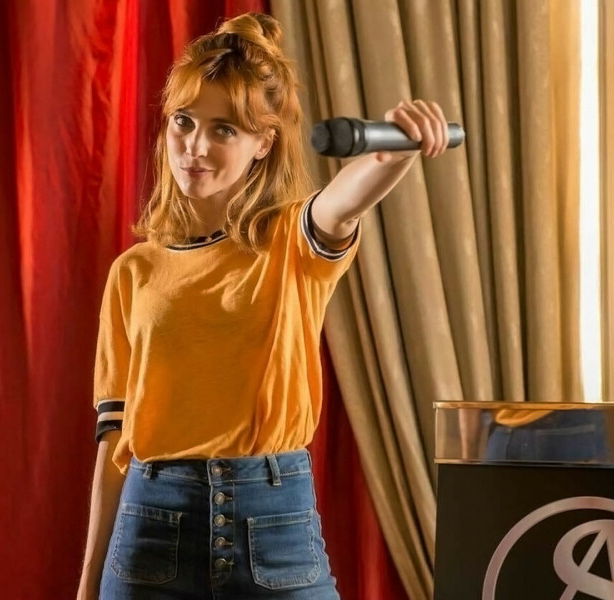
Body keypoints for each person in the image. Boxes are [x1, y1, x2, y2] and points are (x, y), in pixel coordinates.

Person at [76, 12, 450, 600]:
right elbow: (114, 443)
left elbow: (342, 203)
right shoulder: (133, 272)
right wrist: (88, 583)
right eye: (183, 121)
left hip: (276, 529)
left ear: (263, 144)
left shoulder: (290, 243)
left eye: (224, 129)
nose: (195, 147)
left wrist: (394, 151)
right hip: (150, 534)